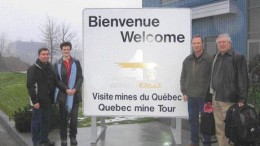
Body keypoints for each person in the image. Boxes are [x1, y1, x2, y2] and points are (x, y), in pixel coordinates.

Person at [211, 34, 248, 146]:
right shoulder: (216, 57)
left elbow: (243, 78)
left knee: (230, 126)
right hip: (216, 96)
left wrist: (242, 98)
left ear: (230, 43)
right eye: (219, 42)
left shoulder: (237, 56)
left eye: (224, 42)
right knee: (219, 126)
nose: (221, 44)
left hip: (229, 98)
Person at [180, 35, 212, 146]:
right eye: (194, 43)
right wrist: (184, 92)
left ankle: (207, 142)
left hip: (204, 97)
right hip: (191, 97)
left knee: (206, 122)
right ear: (192, 44)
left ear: (202, 44)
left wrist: (208, 95)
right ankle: (194, 142)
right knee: (192, 121)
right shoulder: (187, 60)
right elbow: (183, 77)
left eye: (198, 43)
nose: (196, 45)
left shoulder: (209, 59)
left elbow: (211, 78)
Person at [54, 42, 83, 146]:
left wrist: (75, 89)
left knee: (74, 119)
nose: (66, 51)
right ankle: (63, 138)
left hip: (75, 96)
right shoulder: (57, 64)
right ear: (61, 50)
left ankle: (73, 136)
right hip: (63, 95)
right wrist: (66, 89)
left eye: (68, 49)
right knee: (63, 119)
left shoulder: (76, 62)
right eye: (64, 49)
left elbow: (80, 78)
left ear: (70, 50)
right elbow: (57, 81)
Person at [27, 48, 56, 146]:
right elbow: (31, 86)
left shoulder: (50, 67)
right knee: (36, 123)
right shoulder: (33, 69)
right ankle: (36, 142)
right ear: (39, 55)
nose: (45, 56)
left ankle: (44, 140)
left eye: (47, 54)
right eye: (43, 54)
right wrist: (35, 101)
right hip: (38, 102)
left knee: (46, 121)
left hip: (48, 101)